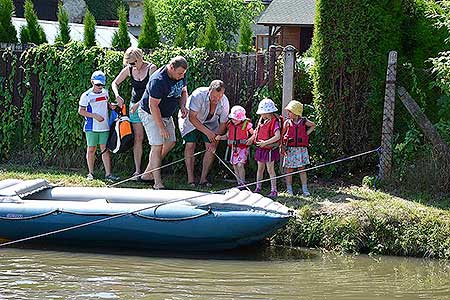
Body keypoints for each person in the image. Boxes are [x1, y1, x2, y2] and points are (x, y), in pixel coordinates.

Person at [138, 56, 189, 189]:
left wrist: (183, 106)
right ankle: (157, 183)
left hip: (166, 114)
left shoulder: (181, 74)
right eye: (179, 73)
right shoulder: (158, 80)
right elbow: (153, 106)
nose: (181, 76)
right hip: (150, 113)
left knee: (171, 142)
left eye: (183, 74)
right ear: (171, 68)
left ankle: (148, 173)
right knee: (157, 145)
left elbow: (183, 91)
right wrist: (160, 127)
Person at [111, 47, 157, 181]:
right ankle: (137, 171)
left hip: (148, 107)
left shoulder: (151, 68)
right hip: (134, 108)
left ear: (140, 58)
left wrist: (139, 103)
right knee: (138, 138)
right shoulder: (130, 69)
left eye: (132, 63)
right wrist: (117, 95)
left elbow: (151, 90)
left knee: (153, 140)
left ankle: (151, 170)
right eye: (129, 64)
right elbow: (115, 83)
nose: (131, 66)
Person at [179, 80, 230, 187]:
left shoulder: (224, 102)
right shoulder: (199, 95)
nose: (217, 99)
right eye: (214, 97)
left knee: (211, 147)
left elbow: (223, 123)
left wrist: (215, 139)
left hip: (211, 122)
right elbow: (192, 118)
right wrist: (208, 132)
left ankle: (203, 178)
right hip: (191, 119)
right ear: (209, 90)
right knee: (190, 144)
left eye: (220, 97)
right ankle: (190, 179)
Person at [78, 70, 119, 182]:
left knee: (105, 150)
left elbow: (107, 104)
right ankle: (90, 173)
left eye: (102, 84)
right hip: (91, 127)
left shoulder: (105, 92)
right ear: (92, 82)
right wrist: (94, 116)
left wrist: (112, 106)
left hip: (104, 127)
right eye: (97, 84)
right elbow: (81, 111)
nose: (100, 86)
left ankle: (108, 174)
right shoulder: (86, 95)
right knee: (91, 149)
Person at [281, 100, 316, 196]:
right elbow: (282, 135)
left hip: (301, 149)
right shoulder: (287, 123)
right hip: (290, 149)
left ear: (296, 113)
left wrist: (306, 134)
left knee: (302, 169)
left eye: (290, 111)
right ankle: (289, 189)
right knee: (289, 170)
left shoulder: (303, 121)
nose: (288, 113)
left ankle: (305, 189)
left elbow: (313, 125)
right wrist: (282, 147)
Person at [215, 105, 254, 187]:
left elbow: (254, 134)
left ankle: (243, 183)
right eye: (233, 118)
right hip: (234, 148)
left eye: (236, 118)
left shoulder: (246, 125)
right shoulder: (230, 125)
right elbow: (227, 136)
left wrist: (250, 140)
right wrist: (220, 137)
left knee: (240, 164)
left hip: (243, 148)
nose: (234, 120)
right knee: (235, 165)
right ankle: (239, 183)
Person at [252, 98, 281, 197]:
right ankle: (258, 187)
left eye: (262, 113)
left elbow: (278, 136)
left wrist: (266, 143)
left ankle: (274, 190)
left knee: (270, 170)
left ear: (267, 112)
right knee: (260, 169)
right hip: (261, 148)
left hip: (269, 150)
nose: (261, 115)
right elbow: (256, 132)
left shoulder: (274, 122)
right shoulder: (262, 121)